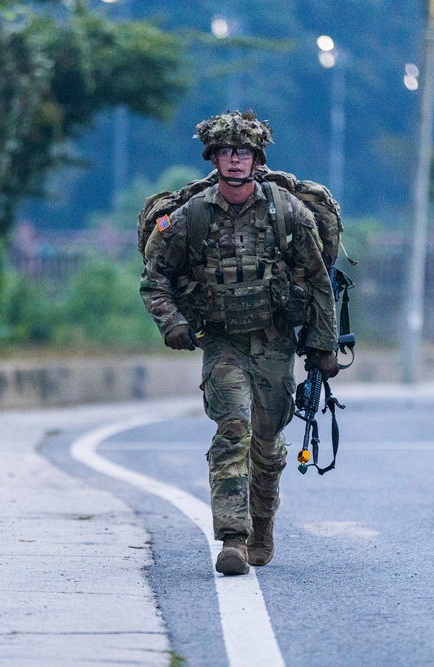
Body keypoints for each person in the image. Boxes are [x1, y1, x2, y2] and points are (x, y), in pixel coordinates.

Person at [140, 110, 339, 576]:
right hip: (222, 341)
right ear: (214, 158)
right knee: (233, 428)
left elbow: (317, 281)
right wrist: (171, 323)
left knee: (267, 445)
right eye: (226, 153)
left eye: (243, 153)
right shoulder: (191, 216)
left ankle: (262, 523)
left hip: (274, 343)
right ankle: (233, 536)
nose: (234, 161)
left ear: (256, 159)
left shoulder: (287, 212)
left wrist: (323, 346)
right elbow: (154, 280)